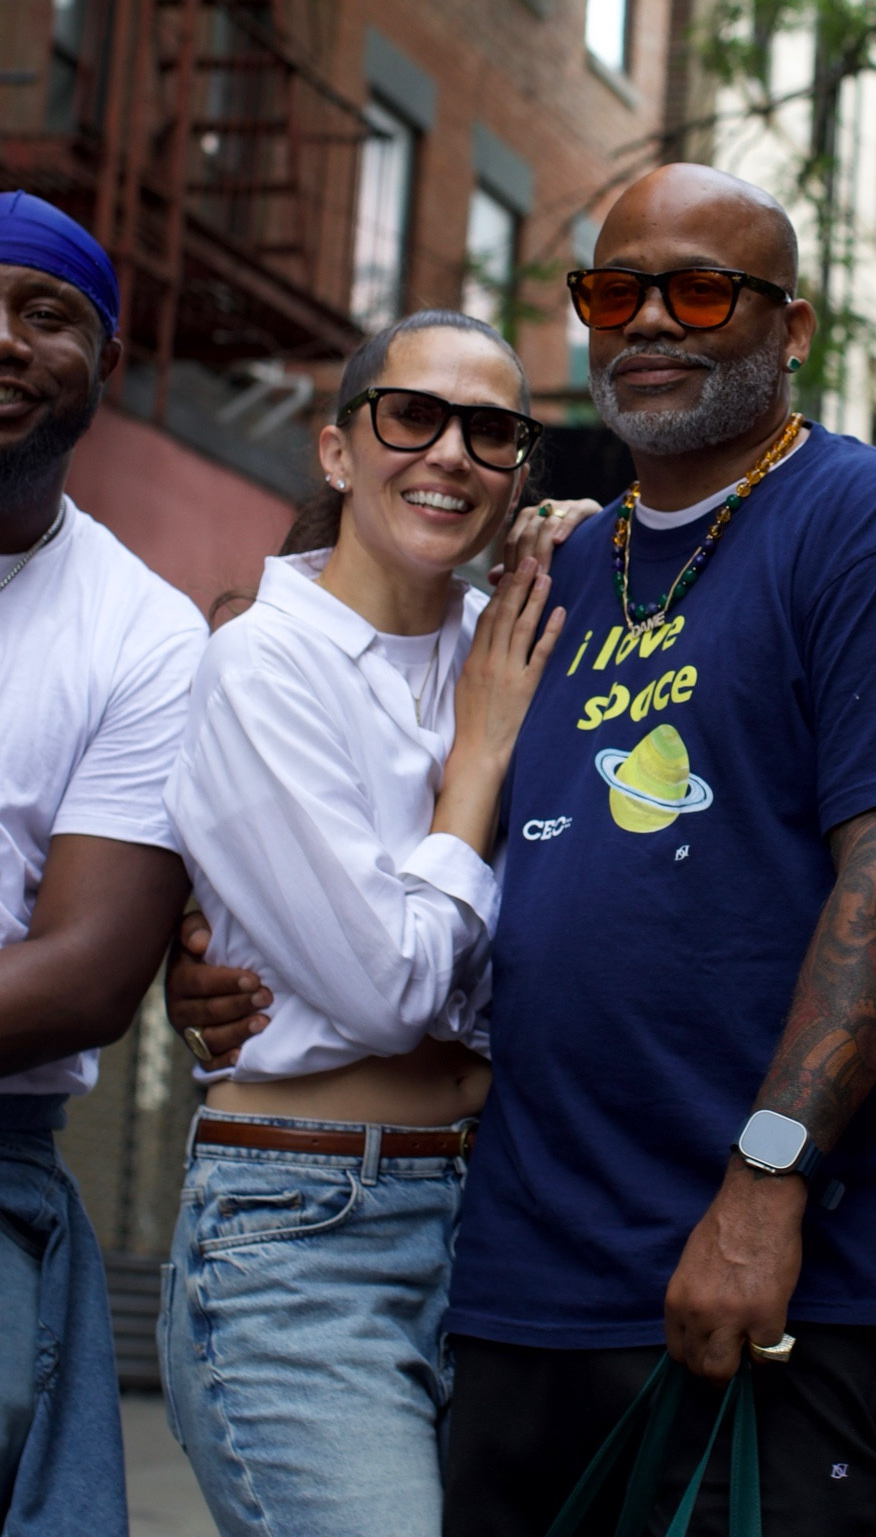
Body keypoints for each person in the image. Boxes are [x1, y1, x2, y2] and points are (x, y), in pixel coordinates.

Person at [434, 163, 876, 1537]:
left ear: (793, 326)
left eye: (701, 288)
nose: (649, 321)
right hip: (529, 1270)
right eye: (613, 290)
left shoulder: (870, 520)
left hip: (775, 1274)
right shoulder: (559, 567)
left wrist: (762, 1189)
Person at [156, 308, 574, 1537]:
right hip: (302, 1232)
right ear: (338, 449)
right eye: (412, 415)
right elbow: (391, 989)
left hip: (495, 1224)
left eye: (491, 432)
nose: (450, 451)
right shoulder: (265, 664)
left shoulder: (514, 634)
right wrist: (481, 757)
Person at [0, 192, 207, 1536]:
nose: (6, 342)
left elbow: (83, 977)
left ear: (109, 363)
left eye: (46, 314)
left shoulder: (147, 634)